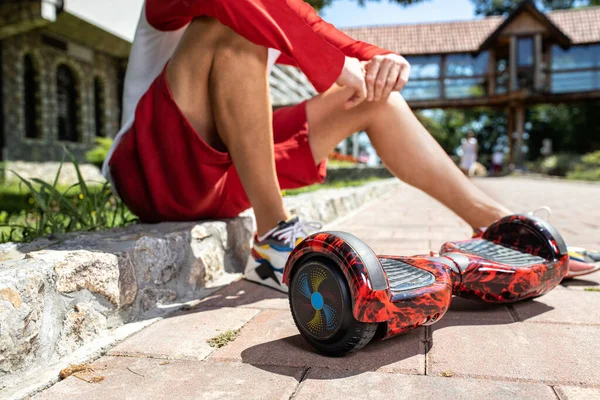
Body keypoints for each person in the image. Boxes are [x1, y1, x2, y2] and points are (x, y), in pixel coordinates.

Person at [103, 0, 598, 292]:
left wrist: (383, 60)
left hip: (225, 178)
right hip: (153, 172)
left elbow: (324, 37)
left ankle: (497, 226)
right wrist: (340, 67)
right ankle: (275, 237)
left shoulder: (286, 8)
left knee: (374, 97)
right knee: (234, 29)